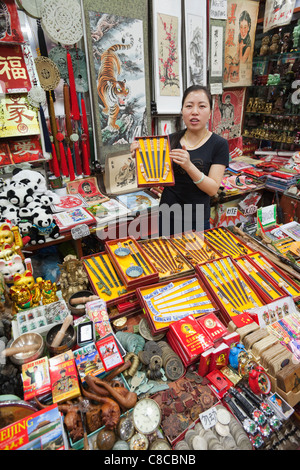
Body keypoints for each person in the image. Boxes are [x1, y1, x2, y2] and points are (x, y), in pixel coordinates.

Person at [130, 85, 229, 236]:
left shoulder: (219, 144)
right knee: (167, 256)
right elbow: (155, 177)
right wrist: (141, 157)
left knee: (196, 257)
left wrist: (189, 166)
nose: (194, 111)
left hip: (196, 217)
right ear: (182, 111)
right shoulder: (170, 140)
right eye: (189, 106)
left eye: (202, 106)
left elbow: (212, 189)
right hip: (168, 212)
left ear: (210, 112)